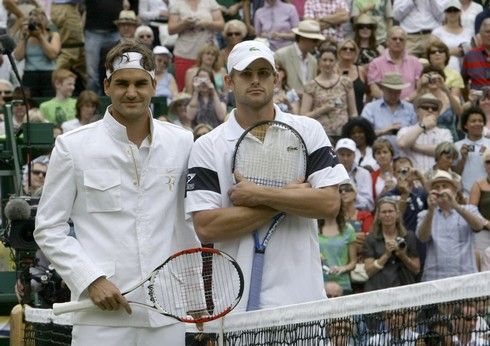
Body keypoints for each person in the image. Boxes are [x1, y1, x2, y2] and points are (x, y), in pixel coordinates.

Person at [33, 41, 198, 344]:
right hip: (99, 316)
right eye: (122, 83)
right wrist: (91, 279)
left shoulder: (183, 143)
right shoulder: (73, 147)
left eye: (139, 83)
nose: (131, 92)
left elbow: (192, 222)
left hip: (167, 311)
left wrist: (196, 299)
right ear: (107, 86)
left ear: (153, 84)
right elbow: (48, 228)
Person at [186, 40, 349, 311]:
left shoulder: (309, 130)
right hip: (234, 308)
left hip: (302, 304)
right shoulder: (207, 146)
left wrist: (258, 194)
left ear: (276, 79)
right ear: (229, 81)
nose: (255, 80)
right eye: (246, 74)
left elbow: (330, 204)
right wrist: (292, 197)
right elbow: (206, 226)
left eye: (263, 73)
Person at [417, 170, 487, 282]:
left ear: (454, 190)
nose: (441, 190)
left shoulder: (469, 209)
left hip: (465, 277)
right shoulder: (424, 215)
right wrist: (430, 211)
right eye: (437, 187)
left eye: (445, 186)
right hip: (435, 278)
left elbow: (478, 226)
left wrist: (455, 205)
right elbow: (422, 237)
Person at [363, 196, 420, 292]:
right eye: (384, 212)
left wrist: (402, 255)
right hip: (378, 289)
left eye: (390, 211)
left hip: (403, 288)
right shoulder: (371, 239)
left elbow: (416, 269)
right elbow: (369, 271)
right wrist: (386, 255)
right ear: (379, 216)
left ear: (397, 214)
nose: (387, 215)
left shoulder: (408, 236)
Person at [301, 46, 357, 141]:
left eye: (331, 60)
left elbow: (353, 112)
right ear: (319, 62)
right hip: (320, 135)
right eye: (324, 60)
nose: (327, 63)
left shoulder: (345, 82)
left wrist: (353, 131)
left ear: (335, 62)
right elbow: (303, 116)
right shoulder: (311, 85)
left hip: (343, 134)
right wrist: (323, 109)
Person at [168, 0, 225, 91]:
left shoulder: (210, 2)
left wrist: (207, 24)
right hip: (185, 53)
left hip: (208, 53)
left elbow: (221, 25)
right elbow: (170, 30)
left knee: (214, 88)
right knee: (185, 89)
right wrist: (184, 24)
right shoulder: (176, 3)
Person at [361, 72, 417, 156]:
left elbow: (416, 133)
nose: (394, 95)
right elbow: (363, 134)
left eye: (397, 92)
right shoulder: (371, 108)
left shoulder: (410, 108)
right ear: (383, 89)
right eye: (390, 91)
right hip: (378, 156)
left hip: (405, 155)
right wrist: (385, 131)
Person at [397, 93, 453, 173]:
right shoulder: (405, 130)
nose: (430, 110)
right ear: (417, 110)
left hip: (436, 182)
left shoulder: (445, 133)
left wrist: (415, 147)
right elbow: (402, 143)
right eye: (425, 107)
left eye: (434, 108)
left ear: (438, 113)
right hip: (413, 182)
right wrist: (423, 125)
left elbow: (445, 152)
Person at [13, 7, 61, 97]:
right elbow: (18, 56)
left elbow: (52, 55)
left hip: (48, 74)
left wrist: (40, 36)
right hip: (30, 74)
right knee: (30, 102)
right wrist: (24, 38)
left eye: (39, 24)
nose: (36, 27)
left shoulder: (53, 35)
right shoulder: (26, 35)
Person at [367, 26, 422, 101]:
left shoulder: (415, 62)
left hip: (410, 106)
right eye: (394, 39)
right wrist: (391, 102)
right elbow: (374, 90)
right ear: (387, 41)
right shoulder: (375, 63)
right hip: (384, 107)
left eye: (401, 39)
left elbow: (419, 89)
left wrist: (406, 101)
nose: (398, 41)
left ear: (405, 42)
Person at [274, 19, 325, 95]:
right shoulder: (281, 55)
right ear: (302, 38)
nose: (316, 44)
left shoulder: (313, 61)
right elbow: (274, 85)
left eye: (317, 41)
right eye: (314, 40)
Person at [415, 65, 463, 141]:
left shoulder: (452, 97)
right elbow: (415, 111)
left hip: (450, 141)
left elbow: (460, 113)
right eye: (429, 77)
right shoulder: (421, 98)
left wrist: (445, 88)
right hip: (427, 140)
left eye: (436, 77)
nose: (433, 79)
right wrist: (420, 87)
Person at [318, 203, 357, 296]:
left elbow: (353, 262)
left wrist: (342, 268)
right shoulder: (314, 229)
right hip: (320, 284)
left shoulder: (348, 230)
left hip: (343, 284)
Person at [454, 107, 490, 195]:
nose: (477, 123)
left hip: (487, 194)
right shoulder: (457, 146)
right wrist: (463, 159)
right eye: (473, 121)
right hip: (465, 194)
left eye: (480, 121)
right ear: (465, 125)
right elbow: (455, 174)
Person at [431, 0, 472, 74]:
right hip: (444, 72)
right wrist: (450, 52)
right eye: (449, 10)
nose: (452, 13)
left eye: (455, 10)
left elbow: (474, 51)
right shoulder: (437, 32)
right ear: (445, 13)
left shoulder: (469, 32)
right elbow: (432, 54)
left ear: (460, 12)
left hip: (466, 70)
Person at [336, 138, 374, 211]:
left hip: (359, 215)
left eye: (348, 155)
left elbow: (369, 205)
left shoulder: (364, 174)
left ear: (354, 155)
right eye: (342, 154)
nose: (345, 158)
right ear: (336, 155)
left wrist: (354, 195)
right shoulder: (330, 173)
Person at [469, 148, 490, 270]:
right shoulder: (478, 184)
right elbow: (472, 212)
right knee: (483, 267)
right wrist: (487, 224)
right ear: (484, 165)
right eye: (488, 162)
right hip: (483, 232)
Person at [337, 39, 367, 113]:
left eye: (352, 49)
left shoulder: (361, 70)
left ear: (355, 53)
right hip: (337, 114)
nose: (348, 51)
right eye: (344, 48)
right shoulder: (332, 70)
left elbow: (369, 92)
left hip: (359, 112)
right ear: (339, 51)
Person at [462, 17, 490, 90]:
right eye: (487, 32)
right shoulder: (470, 55)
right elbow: (462, 82)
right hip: (479, 100)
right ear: (480, 34)